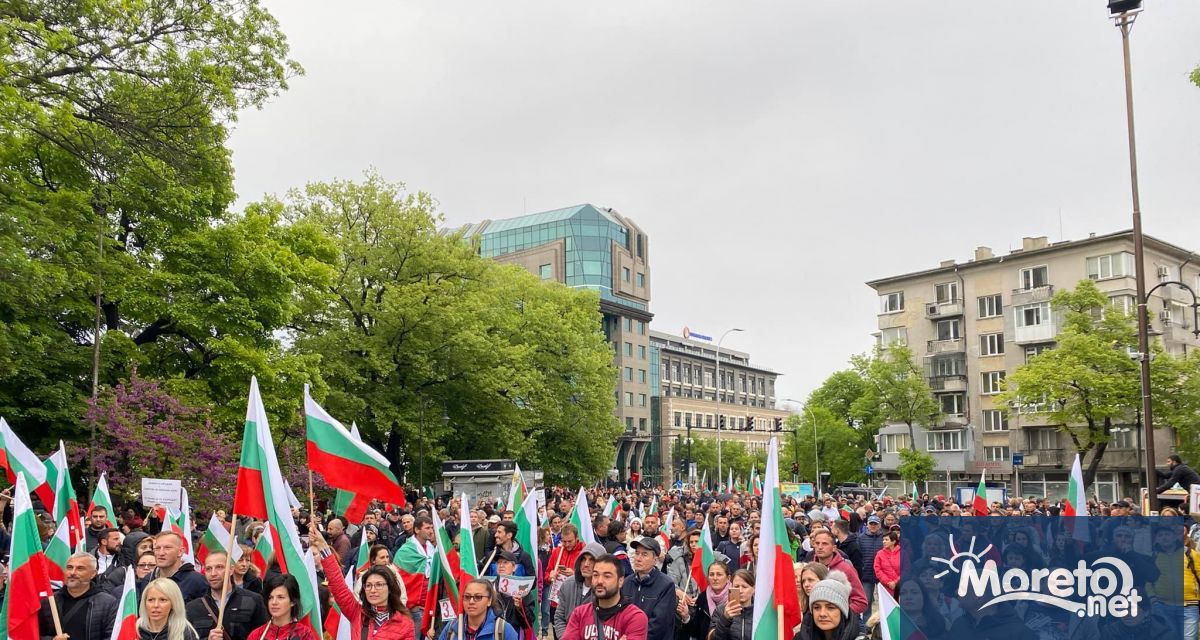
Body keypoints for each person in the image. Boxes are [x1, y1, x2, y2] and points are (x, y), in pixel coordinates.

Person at [311, 521, 415, 640]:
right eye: (368, 586)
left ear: (390, 588)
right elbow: (338, 586)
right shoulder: (357, 613)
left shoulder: (405, 624)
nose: (373, 590)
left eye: (379, 585)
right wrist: (322, 546)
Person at [185, 551, 268, 640]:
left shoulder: (253, 600)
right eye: (208, 569)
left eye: (219, 567)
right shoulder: (192, 607)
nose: (213, 573)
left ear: (231, 570)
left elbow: (264, 636)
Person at [561, 554, 648, 640]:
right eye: (595, 575)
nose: (599, 581)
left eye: (607, 576)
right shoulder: (579, 614)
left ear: (620, 581)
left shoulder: (635, 617)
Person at [38, 553, 119, 640]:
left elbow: (112, 636)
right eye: (69, 567)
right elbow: (33, 634)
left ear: (93, 574)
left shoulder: (108, 604)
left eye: (80, 568)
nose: (72, 572)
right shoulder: (49, 602)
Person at [620, 538, 677, 640]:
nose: (638, 558)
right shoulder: (626, 582)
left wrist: (635, 637)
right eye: (637, 553)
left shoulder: (666, 585)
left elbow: (659, 623)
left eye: (644, 554)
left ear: (655, 560)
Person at [553, 542, 605, 639]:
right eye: (583, 559)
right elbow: (559, 617)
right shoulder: (568, 584)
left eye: (591, 560)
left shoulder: (606, 590)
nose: (586, 564)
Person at [436, 579, 518, 640]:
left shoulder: (503, 630)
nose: (471, 601)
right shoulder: (452, 628)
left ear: (489, 601)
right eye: (467, 597)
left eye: (478, 597)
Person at [807, 531, 866, 615]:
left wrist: (841, 616)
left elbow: (861, 602)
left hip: (843, 624)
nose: (820, 547)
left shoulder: (846, 569)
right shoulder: (809, 568)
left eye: (825, 544)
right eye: (817, 543)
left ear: (834, 548)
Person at [139, 531, 208, 603]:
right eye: (157, 548)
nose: (161, 553)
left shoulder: (196, 581)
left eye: (167, 548)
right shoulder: (148, 579)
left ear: (180, 552)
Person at [394, 515, 436, 628]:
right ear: (417, 530)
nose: (431, 531)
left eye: (432, 528)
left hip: (428, 606)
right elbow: (398, 579)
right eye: (427, 528)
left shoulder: (432, 549)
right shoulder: (405, 551)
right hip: (413, 608)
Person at [249, 574, 320, 640]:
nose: (274, 602)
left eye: (280, 597)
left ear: (293, 601)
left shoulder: (304, 635)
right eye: (270, 597)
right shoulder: (257, 635)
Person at [793, 572, 857, 640]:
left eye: (830, 608)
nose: (822, 614)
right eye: (817, 607)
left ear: (843, 611)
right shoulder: (800, 638)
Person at [680, 560, 732, 640]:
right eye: (711, 574)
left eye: (719, 574)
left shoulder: (734, 598)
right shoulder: (702, 598)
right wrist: (686, 617)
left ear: (728, 578)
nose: (715, 578)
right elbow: (695, 631)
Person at [492, 551, 536, 634]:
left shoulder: (522, 588)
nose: (501, 565)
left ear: (514, 567)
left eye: (505, 562)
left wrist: (520, 607)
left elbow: (529, 622)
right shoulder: (490, 587)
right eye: (498, 562)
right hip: (494, 634)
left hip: (515, 633)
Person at [710, 569, 754, 640]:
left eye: (744, 587)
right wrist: (725, 619)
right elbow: (713, 638)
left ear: (753, 588)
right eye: (736, 586)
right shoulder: (721, 610)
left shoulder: (759, 612)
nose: (740, 590)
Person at [856, 516, 884, 615]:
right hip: (866, 574)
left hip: (882, 575)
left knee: (883, 602)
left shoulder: (885, 538)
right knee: (866, 601)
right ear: (867, 525)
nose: (873, 526)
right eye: (871, 524)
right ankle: (866, 625)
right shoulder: (860, 538)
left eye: (875, 524)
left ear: (879, 525)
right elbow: (858, 556)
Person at [872, 532, 901, 598]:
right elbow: (877, 569)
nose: (884, 542)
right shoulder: (879, 554)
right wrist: (888, 582)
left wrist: (896, 582)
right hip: (885, 586)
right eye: (883, 540)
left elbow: (906, 569)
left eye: (886, 540)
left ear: (893, 541)